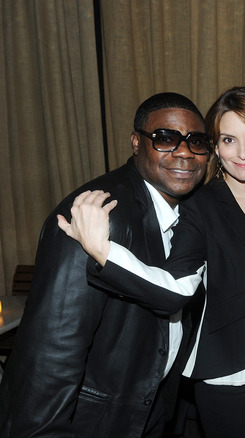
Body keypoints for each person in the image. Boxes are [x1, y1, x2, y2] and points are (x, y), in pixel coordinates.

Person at [58, 87, 245, 437]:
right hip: (231, 374)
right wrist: (104, 252)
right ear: (214, 148)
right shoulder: (200, 206)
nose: (242, 153)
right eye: (228, 139)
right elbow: (176, 289)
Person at [0, 93, 208, 437]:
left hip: (149, 410)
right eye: (166, 138)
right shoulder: (92, 216)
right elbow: (52, 349)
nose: (184, 152)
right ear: (136, 143)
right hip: (92, 420)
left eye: (196, 141)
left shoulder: (193, 210)